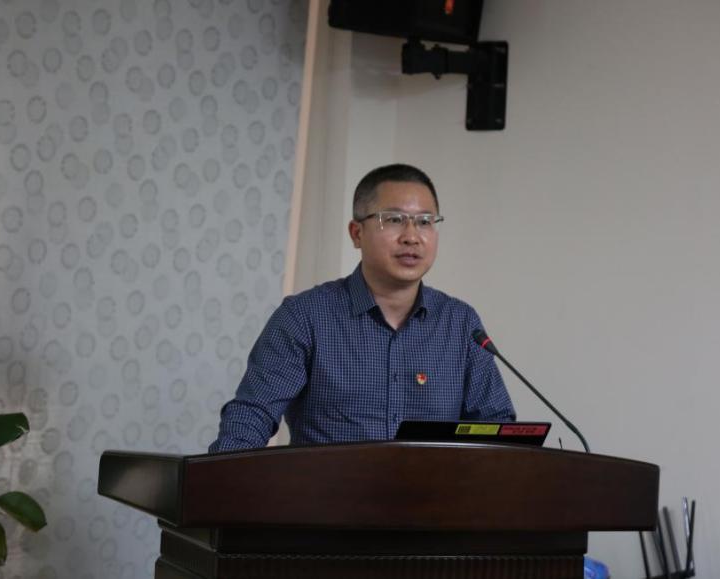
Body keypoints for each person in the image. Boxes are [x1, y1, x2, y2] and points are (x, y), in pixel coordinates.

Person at [209, 164, 514, 452]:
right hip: (328, 491)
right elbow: (253, 414)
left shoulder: (460, 323)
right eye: (393, 219)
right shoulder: (305, 316)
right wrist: (221, 480)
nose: (411, 236)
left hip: (432, 491)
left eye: (424, 221)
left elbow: (494, 426)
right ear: (357, 233)